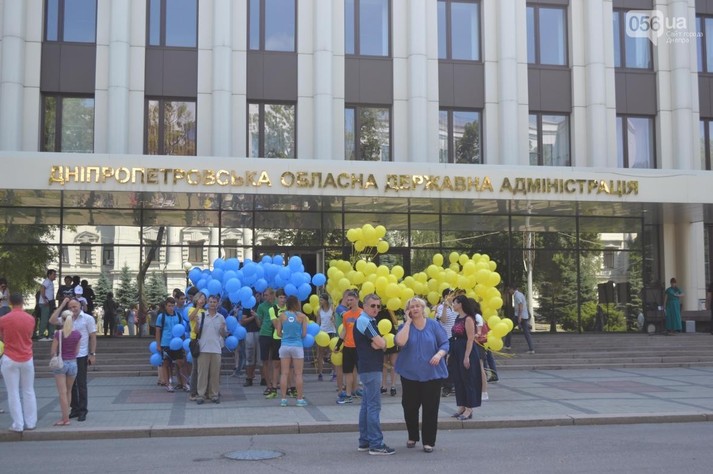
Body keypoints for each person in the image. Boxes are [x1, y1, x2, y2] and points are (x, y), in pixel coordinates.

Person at [394, 296, 449, 453]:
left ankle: (428, 442)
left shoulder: (433, 325)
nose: (415, 309)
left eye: (418, 306)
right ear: (408, 311)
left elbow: (445, 343)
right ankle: (413, 436)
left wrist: (439, 354)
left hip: (432, 374)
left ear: (423, 308)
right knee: (409, 407)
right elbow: (400, 342)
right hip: (410, 374)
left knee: (430, 408)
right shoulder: (404, 326)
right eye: (412, 307)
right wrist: (408, 322)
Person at [353, 293, 394, 455]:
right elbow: (382, 342)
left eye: (378, 306)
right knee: (373, 406)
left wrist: (379, 344)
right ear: (364, 306)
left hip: (368, 367)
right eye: (372, 306)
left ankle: (365, 441)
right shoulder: (365, 320)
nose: (376, 309)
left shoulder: (368, 320)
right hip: (371, 368)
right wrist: (381, 344)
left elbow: (379, 344)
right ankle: (376, 444)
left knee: (366, 405)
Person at [50, 297, 97, 422]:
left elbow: (93, 336)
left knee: (81, 384)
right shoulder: (66, 318)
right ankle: (74, 409)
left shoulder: (88, 319)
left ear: (80, 306)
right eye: (70, 307)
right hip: (69, 357)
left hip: (81, 355)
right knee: (71, 386)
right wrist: (62, 305)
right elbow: (52, 320)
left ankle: (83, 410)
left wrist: (92, 353)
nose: (73, 309)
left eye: (75, 306)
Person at [0, 293, 38, 432]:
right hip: (27, 357)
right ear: (22, 302)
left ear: (10, 302)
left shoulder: (3, 319)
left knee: (13, 392)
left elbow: (2, 336)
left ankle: (18, 424)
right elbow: (30, 335)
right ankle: (31, 422)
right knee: (29, 390)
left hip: (10, 357)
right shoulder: (30, 319)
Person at [448, 294, 482, 420]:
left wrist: (467, 356)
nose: (453, 305)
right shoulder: (458, 317)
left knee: (468, 379)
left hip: (466, 350)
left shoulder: (468, 319)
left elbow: (470, 338)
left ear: (461, 304)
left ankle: (469, 408)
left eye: (455, 302)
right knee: (458, 379)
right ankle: (461, 406)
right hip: (457, 349)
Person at [274, 295, 308, 407]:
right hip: (297, 346)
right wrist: (296, 336)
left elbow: (278, 333)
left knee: (284, 373)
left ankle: (283, 399)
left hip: (284, 346)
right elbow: (304, 334)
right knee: (298, 374)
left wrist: (286, 336)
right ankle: (299, 399)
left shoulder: (282, 316)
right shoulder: (302, 316)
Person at [50, 310, 81, 426]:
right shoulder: (77, 334)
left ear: (62, 320)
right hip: (73, 363)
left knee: (62, 393)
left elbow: (53, 351)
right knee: (69, 391)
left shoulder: (58, 334)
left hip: (61, 363)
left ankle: (65, 419)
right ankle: (66, 415)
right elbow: (77, 351)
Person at [195, 294, 227, 404]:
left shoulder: (221, 317)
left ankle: (214, 394)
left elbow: (223, 334)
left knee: (215, 374)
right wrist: (196, 324)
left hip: (216, 349)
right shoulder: (201, 315)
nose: (212, 304)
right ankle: (201, 395)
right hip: (203, 348)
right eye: (210, 302)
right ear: (207, 303)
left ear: (217, 304)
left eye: (214, 302)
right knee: (202, 374)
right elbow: (196, 332)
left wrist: (222, 329)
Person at [156, 297, 189, 392]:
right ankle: (168, 384)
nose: (171, 308)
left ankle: (184, 383)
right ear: (165, 306)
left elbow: (181, 329)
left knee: (181, 363)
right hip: (165, 343)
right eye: (169, 306)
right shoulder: (161, 317)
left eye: (172, 306)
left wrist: (182, 342)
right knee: (166, 364)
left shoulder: (178, 315)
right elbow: (158, 331)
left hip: (177, 343)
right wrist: (158, 344)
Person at [338, 290, 362, 404]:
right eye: (348, 300)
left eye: (351, 300)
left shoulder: (362, 314)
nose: (349, 302)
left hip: (359, 347)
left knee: (363, 372)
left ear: (357, 300)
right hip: (348, 346)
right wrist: (338, 344)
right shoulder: (346, 314)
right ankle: (348, 395)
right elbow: (344, 330)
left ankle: (365, 393)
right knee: (348, 371)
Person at [435, 288, 457, 396]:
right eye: (451, 295)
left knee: (452, 362)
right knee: (443, 362)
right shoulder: (440, 307)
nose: (453, 297)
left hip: (454, 338)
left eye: (454, 295)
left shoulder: (456, 307)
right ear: (445, 297)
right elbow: (443, 320)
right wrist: (444, 306)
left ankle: (450, 384)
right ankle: (445, 385)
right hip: (444, 338)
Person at [187, 292, 207, 401]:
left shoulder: (206, 311)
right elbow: (190, 318)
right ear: (196, 299)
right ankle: (193, 392)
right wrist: (198, 307)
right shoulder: (192, 309)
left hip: (205, 340)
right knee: (195, 367)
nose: (202, 300)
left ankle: (203, 390)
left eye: (204, 298)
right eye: (200, 298)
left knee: (204, 367)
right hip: (195, 340)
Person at [257, 288, 277, 391]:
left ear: (273, 295)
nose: (265, 297)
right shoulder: (261, 306)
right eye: (264, 295)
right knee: (265, 360)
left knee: (275, 360)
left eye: (267, 295)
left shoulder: (278, 304)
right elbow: (259, 321)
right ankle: (268, 384)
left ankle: (274, 382)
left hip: (276, 334)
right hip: (265, 334)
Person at [240, 295, 261, 386]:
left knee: (261, 358)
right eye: (256, 295)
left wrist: (256, 316)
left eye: (260, 295)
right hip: (249, 332)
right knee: (249, 356)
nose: (258, 297)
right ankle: (249, 378)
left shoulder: (263, 305)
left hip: (261, 332)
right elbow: (243, 321)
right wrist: (254, 317)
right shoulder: (247, 305)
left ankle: (264, 378)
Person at [377, 308, 398, 396]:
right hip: (381, 338)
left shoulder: (391, 309)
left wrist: (390, 310)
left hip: (392, 337)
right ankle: (384, 386)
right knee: (384, 363)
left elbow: (396, 322)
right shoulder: (376, 310)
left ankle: (393, 386)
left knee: (394, 363)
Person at [315, 293, 336, 382]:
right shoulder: (319, 310)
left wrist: (333, 319)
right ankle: (320, 374)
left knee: (332, 353)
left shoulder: (332, 308)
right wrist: (315, 332)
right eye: (320, 300)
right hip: (322, 332)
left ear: (326, 300)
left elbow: (335, 320)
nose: (320, 301)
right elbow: (318, 322)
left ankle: (334, 374)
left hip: (331, 332)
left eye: (322, 300)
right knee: (320, 354)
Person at [508, 284, 534, 353]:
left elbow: (520, 306)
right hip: (524, 316)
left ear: (512, 289)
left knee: (509, 328)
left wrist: (519, 316)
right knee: (526, 333)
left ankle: (507, 345)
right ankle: (531, 349)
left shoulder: (517, 295)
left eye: (509, 290)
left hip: (519, 316)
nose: (509, 291)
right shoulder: (520, 294)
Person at [38, 269, 57, 341]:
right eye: (53, 274)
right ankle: (41, 336)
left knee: (51, 318)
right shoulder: (47, 281)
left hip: (50, 302)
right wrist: (44, 299)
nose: (55, 276)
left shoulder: (50, 282)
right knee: (45, 319)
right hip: (45, 303)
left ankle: (51, 335)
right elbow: (42, 289)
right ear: (49, 275)